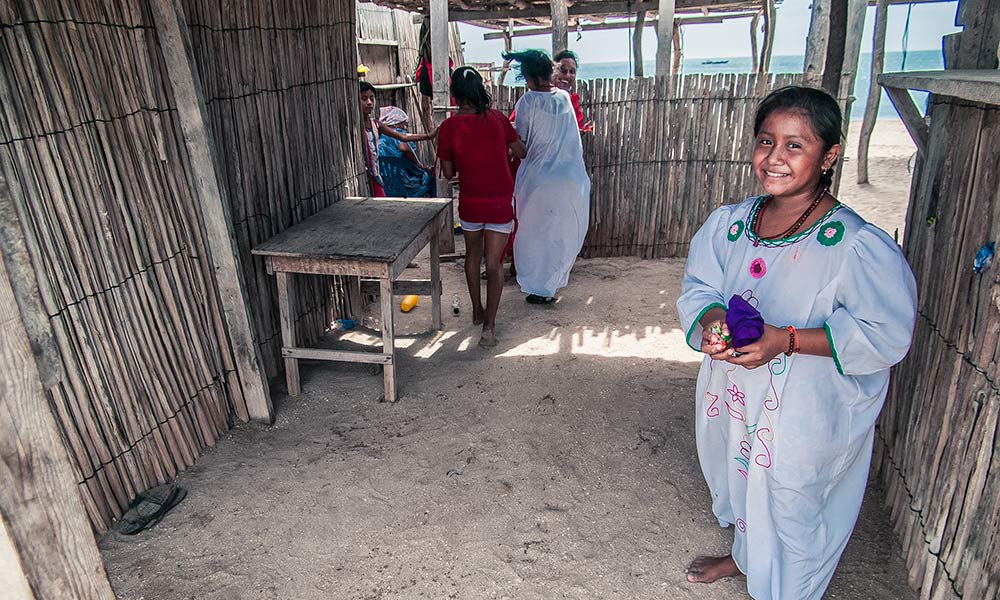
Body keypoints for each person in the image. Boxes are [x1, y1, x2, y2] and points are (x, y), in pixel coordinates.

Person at [676, 86, 917, 600]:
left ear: (829, 156)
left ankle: (792, 590)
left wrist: (784, 340)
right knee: (743, 473)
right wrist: (714, 320)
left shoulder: (853, 245)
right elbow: (701, 287)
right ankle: (746, 558)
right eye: (766, 141)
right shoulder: (732, 225)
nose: (774, 158)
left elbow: (885, 333)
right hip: (740, 391)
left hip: (804, 406)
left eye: (794, 145)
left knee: (792, 495)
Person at [437, 66, 527, 347]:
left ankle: (476, 308)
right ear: (480, 90)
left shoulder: (448, 127)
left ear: (455, 93)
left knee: (472, 257)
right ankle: (489, 328)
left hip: (471, 202)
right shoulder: (498, 119)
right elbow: (522, 151)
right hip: (499, 201)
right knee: (495, 263)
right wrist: (505, 150)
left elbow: (449, 173)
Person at [503, 49, 591, 305]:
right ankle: (551, 284)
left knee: (533, 233)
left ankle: (538, 285)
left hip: (538, 180)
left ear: (528, 77)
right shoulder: (564, 98)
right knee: (558, 232)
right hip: (566, 178)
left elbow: (523, 145)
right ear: (549, 72)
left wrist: (504, 135)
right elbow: (572, 140)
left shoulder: (527, 102)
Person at [359, 81, 436, 197]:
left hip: (377, 176)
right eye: (364, 99)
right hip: (365, 177)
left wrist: (428, 136)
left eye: (372, 98)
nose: (369, 102)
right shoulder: (355, 127)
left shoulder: (376, 124)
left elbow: (403, 137)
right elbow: (404, 144)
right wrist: (419, 165)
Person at [377, 106, 434, 198]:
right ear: (395, 124)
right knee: (429, 176)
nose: (406, 128)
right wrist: (419, 164)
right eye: (404, 124)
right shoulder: (398, 134)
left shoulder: (380, 138)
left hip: (386, 183)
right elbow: (405, 148)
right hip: (405, 183)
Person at [552, 50, 594, 133]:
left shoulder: (571, 100)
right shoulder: (544, 99)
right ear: (553, 71)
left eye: (572, 72)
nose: (567, 75)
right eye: (563, 70)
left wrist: (579, 131)